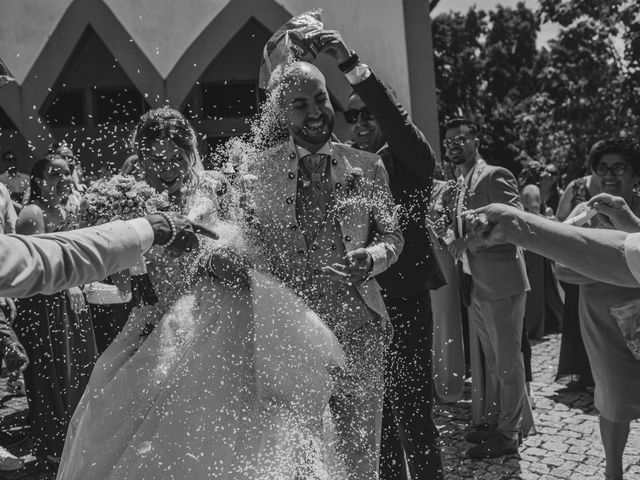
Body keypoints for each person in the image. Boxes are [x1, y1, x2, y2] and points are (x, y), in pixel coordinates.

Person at [57, 106, 348, 480]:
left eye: (175, 156)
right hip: (159, 323)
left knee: (220, 426)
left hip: (218, 318)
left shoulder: (216, 186)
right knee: (119, 420)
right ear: (143, 157)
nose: (167, 166)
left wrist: (218, 259)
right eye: (155, 158)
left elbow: (248, 246)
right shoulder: (137, 205)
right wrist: (92, 284)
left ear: (190, 149)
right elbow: (127, 288)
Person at [242, 61, 403, 480]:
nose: (315, 111)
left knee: (360, 447)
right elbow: (248, 244)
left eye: (319, 99)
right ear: (280, 111)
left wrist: (371, 258)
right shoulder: (255, 171)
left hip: (358, 328)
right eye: (299, 104)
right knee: (297, 449)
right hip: (290, 331)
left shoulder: (367, 166)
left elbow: (392, 236)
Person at [312, 29, 446, 479]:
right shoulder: (344, 167)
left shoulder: (408, 160)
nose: (362, 122)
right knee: (376, 419)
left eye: (371, 114)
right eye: (353, 116)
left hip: (404, 299)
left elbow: (394, 118)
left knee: (413, 413)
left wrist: (349, 64)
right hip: (358, 310)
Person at [441, 118, 533, 458]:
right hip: (476, 284)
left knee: (508, 362)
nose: (453, 145)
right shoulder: (460, 183)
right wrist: (451, 236)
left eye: (461, 138)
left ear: (476, 139)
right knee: (496, 362)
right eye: (448, 141)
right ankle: (502, 424)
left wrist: (467, 242)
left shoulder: (494, 174)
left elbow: (514, 220)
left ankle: (508, 436)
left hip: (502, 280)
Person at [553, 137, 640, 480]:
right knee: (613, 398)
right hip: (601, 316)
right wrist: (625, 270)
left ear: (635, 175)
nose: (609, 174)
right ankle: (613, 471)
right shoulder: (583, 214)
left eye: (619, 167)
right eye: (602, 168)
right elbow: (561, 267)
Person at [12, 155, 100, 465]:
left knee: (77, 367)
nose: (63, 179)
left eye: (66, 173)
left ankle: (77, 437)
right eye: (54, 174)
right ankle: (54, 445)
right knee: (52, 371)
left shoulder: (65, 210)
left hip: (70, 299)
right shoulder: (32, 214)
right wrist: (69, 284)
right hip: (44, 306)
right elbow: (35, 265)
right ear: (38, 181)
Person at [555, 170, 601, 388]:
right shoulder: (576, 187)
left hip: (607, 266)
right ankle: (580, 372)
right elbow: (559, 219)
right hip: (579, 264)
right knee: (576, 318)